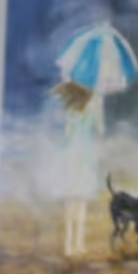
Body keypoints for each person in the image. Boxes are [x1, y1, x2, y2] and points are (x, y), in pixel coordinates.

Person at [39, 76, 103, 259]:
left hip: (71, 160)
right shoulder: (89, 113)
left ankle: (70, 246)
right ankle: (78, 245)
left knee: (70, 208)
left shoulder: (70, 114)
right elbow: (97, 132)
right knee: (81, 207)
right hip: (84, 160)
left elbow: (66, 137)